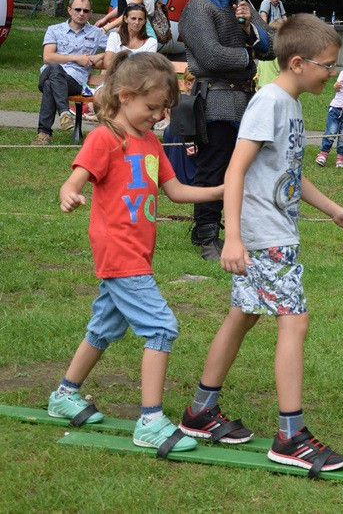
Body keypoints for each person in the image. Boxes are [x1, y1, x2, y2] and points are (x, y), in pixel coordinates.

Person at [179, 14, 343, 473]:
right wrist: (234, 238)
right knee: (294, 322)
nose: (333, 72)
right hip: (265, 237)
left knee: (242, 316)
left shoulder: (293, 104)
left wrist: (335, 210)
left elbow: (289, 175)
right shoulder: (269, 102)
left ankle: (200, 411)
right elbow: (235, 170)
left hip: (271, 232)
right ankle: (290, 436)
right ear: (298, 63)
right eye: (327, 65)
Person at [49, 51, 222, 454]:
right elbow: (73, 181)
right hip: (119, 252)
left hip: (137, 254)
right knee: (161, 328)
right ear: (124, 96)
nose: (159, 116)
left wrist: (219, 191)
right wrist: (69, 193)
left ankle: (65, 394)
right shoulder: (105, 138)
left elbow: (176, 191)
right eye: (152, 107)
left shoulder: (149, 143)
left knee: (104, 327)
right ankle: (150, 421)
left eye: (163, 109)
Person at [180, 0, 275, 261]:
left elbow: (271, 47)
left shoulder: (240, 1)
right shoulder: (198, 6)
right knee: (213, 168)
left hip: (245, 100)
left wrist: (248, 26)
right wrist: (248, 56)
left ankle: (226, 230)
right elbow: (210, 57)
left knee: (242, 170)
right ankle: (206, 234)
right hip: (215, 99)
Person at [32, 0, 107, 145]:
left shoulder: (96, 33)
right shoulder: (54, 30)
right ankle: (65, 112)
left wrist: (99, 55)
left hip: (74, 81)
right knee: (54, 68)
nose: (81, 13)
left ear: (90, 13)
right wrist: (76, 58)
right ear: (69, 10)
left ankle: (44, 134)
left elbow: (117, 50)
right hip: (50, 72)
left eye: (85, 11)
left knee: (50, 85)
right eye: (77, 9)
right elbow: (48, 57)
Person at [103, 4, 158, 68]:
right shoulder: (115, 36)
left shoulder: (151, 42)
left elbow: (148, 67)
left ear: (145, 21)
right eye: (133, 18)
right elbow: (107, 63)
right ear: (126, 19)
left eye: (140, 19)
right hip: (117, 77)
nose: (137, 22)